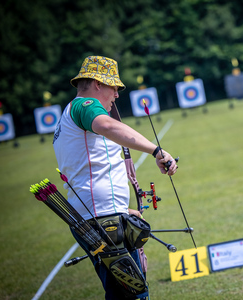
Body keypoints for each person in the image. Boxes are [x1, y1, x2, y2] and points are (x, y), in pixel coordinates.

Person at [53, 55, 177, 300]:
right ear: (97, 84)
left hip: (99, 216)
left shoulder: (70, 114)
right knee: (132, 295)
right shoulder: (84, 105)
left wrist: (123, 210)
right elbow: (109, 127)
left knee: (122, 292)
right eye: (114, 87)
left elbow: (89, 169)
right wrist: (156, 150)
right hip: (102, 220)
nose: (117, 95)